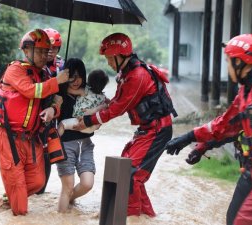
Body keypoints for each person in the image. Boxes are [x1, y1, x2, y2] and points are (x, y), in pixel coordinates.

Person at [165, 34, 252, 225]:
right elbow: (224, 125)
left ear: (240, 62)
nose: (227, 67)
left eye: (228, 61)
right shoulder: (247, 92)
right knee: (236, 220)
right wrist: (192, 140)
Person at [74, 33, 177, 217]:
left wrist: (89, 121)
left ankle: (128, 217)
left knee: (130, 175)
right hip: (147, 129)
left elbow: (119, 108)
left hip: (157, 130)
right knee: (126, 172)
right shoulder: (127, 73)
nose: (108, 63)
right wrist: (97, 110)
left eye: (109, 58)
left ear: (119, 55)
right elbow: (116, 103)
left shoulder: (137, 75)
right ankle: (146, 216)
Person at [0, 28, 69, 215]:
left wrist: (53, 109)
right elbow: (31, 91)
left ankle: (5, 199)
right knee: (20, 207)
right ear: (26, 51)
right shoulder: (15, 70)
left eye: (46, 52)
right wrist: (57, 81)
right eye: (40, 51)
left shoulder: (43, 75)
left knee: (38, 182)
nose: (44, 56)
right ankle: (14, 204)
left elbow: (55, 101)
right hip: (10, 138)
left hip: (32, 138)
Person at [56, 58, 97, 213]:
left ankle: (70, 199)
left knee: (87, 183)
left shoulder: (90, 93)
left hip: (85, 144)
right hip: (65, 145)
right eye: (71, 76)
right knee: (66, 187)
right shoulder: (59, 92)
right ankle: (62, 218)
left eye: (79, 76)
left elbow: (104, 106)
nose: (75, 81)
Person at [36, 27, 65, 195]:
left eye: (55, 49)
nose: (50, 52)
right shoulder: (33, 64)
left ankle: (40, 191)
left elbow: (62, 96)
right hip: (34, 113)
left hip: (52, 114)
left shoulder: (60, 67)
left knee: (47, 153)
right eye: (48, 48)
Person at [58, 69, 109, 135]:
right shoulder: (103, 97)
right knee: (103, 107)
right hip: (93, 124)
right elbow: (108, 105)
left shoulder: (84, 91)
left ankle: (56, 142)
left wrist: (61, 82)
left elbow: (68, 90)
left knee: (62, 124)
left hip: (79, 122)